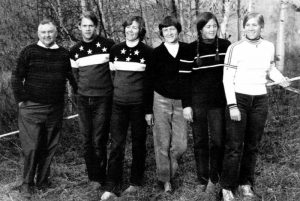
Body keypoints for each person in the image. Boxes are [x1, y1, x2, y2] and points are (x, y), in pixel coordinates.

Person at [220, 13, 290, 201]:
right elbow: (227, 79)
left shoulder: (268, 46)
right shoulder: (235, 48)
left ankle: (245, 185)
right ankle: (227, 188)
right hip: (239, 100)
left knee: (252, 145)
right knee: (234, 146)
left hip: (260, 100)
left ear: (261, 28)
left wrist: (281, 79)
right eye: (248, 25)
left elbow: (271, 69)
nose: (251, 28)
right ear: (244, 28)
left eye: (255, 25)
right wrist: (232, 105)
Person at [11, 18, 77, 198]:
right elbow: (16, 77)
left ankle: (42, 181)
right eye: (43, 32)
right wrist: (22, 100)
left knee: (49, 146)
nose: (47, 35)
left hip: (55, 108)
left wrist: (82, 96)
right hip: (31, 108)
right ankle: (26, 184)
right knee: (31, 147)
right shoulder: (29, 51)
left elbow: (72, 78)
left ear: (56, 33)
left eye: (50, 32)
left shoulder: (64, 54)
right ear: (38, 34)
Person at [100, 16, 153, 201]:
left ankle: (135, 182)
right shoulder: (115, 50)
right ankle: (111, 185)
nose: (130, 30)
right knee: (116, 145)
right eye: (128, 27)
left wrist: (148, 110)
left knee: (138, 144)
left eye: (135, 27)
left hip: (138, 106)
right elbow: (113, 76)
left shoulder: (147, 51)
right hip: (118, 106)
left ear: (141, 30)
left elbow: (149, 83)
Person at [184, 12, 231, 195]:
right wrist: (186, 105)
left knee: (218, 141)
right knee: (200, 141)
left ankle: (214, 177)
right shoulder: (189, 49)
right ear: (200, 29)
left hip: (219, 103)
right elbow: (184, 79)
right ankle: (202, 178)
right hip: (197, 104)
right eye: (207, 26)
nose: (211, 29)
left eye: (214, 26)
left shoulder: (226, 46)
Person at [144, 16, 192, 193]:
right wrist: (148, 110)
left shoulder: (187, 49)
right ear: (161, 33)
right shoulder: (155, 53)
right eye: (165, 30)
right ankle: (165, 179)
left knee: (180, 145)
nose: (169, 33)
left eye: (172, 29)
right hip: (160, 100)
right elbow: (148, 82)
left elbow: (191, 78)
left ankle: (170, 164)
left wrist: (189, 103)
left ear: (178, 30)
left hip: (181, 102)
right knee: (162, 141)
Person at [70, 11, 115, 190]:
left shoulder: (108, 45)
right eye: (84, 26)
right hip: (83, 100)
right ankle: (93, 176)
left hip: (103, 98)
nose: (87, 29)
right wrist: (80, 94)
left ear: (95, 27)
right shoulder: (74, 51)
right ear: (79, 27)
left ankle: (101, 178)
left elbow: (114, 72)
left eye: (91, 25)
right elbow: (74, 78)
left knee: (99, 139)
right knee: (86, 139)